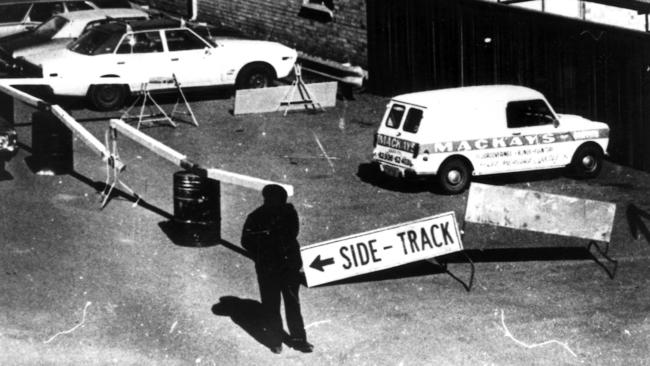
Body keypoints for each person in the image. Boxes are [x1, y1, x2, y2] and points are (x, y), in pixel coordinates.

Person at [241, 184, 314, 354]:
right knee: (271, 306)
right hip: (268, 268)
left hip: (288, 267)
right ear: (266, 199)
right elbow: (245, 240)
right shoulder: (256, 216)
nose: (277, 202)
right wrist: (262, 247)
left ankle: (299, 339)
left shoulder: (288, 212)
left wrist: (267, 237)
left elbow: (292, 233)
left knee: (292, 304)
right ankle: (275, 340)